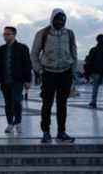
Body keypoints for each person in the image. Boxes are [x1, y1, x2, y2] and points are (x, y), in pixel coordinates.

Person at [31, 8, 77, 144]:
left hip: (65, 73)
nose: (60, 23)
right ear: (52, 19)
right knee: (47, 104)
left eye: (62, 21)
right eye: (57, 20)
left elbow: (74, 53)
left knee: (62, 104)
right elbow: (34, 54)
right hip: (48, 73)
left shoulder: (69, 34)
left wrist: (72, 72)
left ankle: (61, 132)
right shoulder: (43, 33)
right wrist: (39, 70)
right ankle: (46, 132)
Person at [0, 27, 32, 135]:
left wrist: (28, 80)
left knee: (17, 101)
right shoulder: (1, 49)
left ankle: (18, 122)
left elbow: (27, 64)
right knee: (8, 103)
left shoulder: (22, 48)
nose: (5, 36)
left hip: (17, 80)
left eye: (8, 34)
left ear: (14, 35)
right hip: (5, 81)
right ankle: (10, 123)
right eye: (4, 34)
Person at [84, 34, 103, 110]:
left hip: (96, 72)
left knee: (95, 88)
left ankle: (94, 102)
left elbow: (89, 62)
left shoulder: (94, 49)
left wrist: (87, 73)